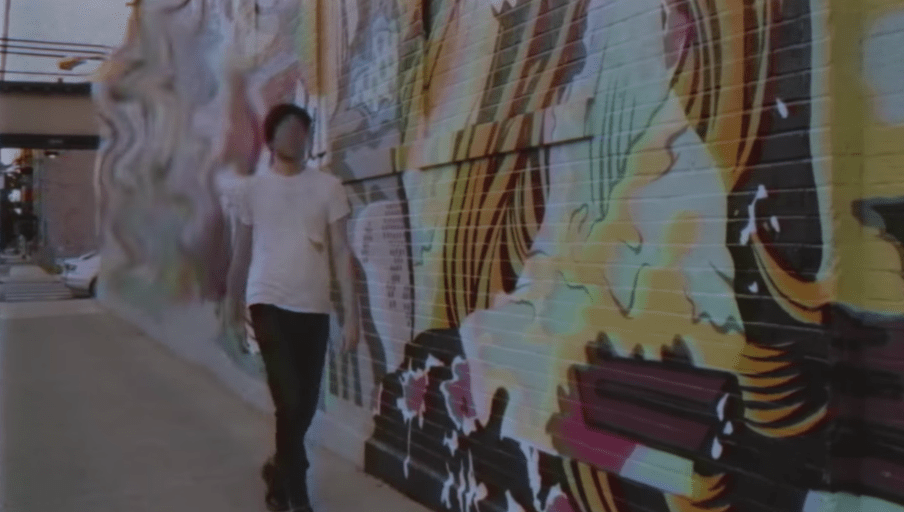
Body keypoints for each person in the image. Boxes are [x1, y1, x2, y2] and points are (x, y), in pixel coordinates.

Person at [227, 103, 360, 512]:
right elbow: (240, 255)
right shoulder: (252, 190)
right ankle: (298, 492)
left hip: (314, 307)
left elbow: (341, 252)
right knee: (289, 400)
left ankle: (276, 470)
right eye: (287, 129)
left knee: (303, 405)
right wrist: (233, 312)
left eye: (302, 129)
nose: (296, 136)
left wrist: (352, 316)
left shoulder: (328, 187)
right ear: (270, 138)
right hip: (267, 302)